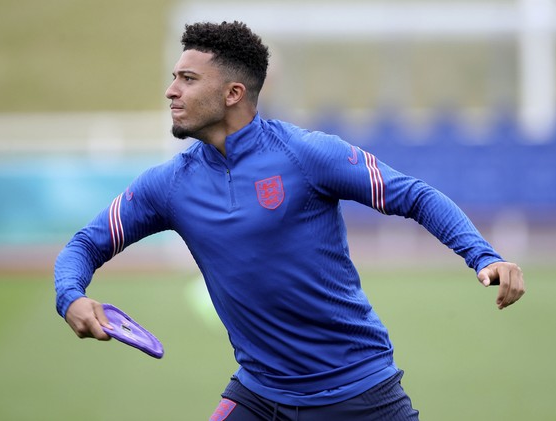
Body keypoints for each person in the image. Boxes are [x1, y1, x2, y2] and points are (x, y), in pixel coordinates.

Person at [55, 21, 525, 420]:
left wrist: (483, 256)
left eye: (187, 79)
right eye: (174, 76)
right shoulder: (168, 185)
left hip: (360, 394)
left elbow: (415, 196)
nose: (171, 90)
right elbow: (86, 244)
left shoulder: (305, 154)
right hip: (261, 395)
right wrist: (70, 297)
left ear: (233, 93)